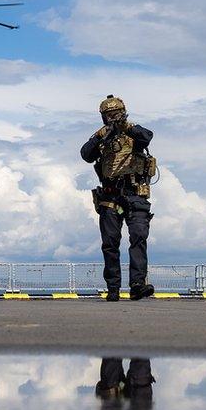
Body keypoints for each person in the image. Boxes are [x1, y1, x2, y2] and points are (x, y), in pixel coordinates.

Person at [81, 95, 156, 301]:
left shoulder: (133, 132)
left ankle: (137, 285)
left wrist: (126, 127)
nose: (113, 117)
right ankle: (113, 288)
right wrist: (100, 136)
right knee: (110, 243)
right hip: (110, 196)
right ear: (103, 117)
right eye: (109, 115)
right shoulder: (102, 137)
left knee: (139, 237)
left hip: (134, 194)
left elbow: (147, 136)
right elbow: (86, 154)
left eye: (116, 113)